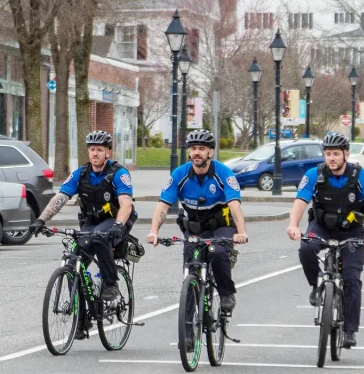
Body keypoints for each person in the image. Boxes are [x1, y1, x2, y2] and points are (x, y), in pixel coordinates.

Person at [285, 132, 364, 349]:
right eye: (328, 154)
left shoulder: (361, 175)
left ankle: (349, 330)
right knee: (306, 249)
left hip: (351, 231)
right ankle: (316, 285)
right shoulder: (314, 174)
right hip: (322, 226)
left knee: (351, 278)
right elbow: (300, 201)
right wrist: (293, 225)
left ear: (346, 154)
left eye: (336, 154)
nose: (331, 158)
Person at [146, 129, 248, 312]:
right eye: (193, 148)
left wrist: (241, 232)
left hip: (221, 226)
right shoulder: (180, 174)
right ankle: (189, 330)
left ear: (210, 152)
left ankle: (226, 294)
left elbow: (234, 206)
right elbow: (162, 207)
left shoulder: (223, 173)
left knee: (217, 253)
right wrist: (154, 231)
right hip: (194, 228)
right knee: (191, 268)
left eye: (202, 148)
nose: (196, 153)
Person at [30, 130, 137, 304]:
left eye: (100, 150)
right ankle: (80, 325)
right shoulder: (80, 174)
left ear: (108, 153)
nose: (95, 153)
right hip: (91, 222)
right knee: (73, 262)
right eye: (92, 149)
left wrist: (118, 225)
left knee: (99, 238)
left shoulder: (119, 173)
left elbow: (126, 204)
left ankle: (111, 284)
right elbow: (61, 198)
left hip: (116, 219)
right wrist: (41, 220)